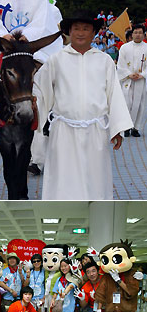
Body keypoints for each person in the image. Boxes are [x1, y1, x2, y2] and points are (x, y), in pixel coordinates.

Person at [33, 13, 131, 201]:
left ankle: (95, 207)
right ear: (69, 32)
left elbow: (114, 95)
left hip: (96, 130)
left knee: (95, 176)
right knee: (63, 177)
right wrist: (32, 109)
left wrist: (116, 129)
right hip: (64, 131)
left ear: (94, 33)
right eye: (76, 28)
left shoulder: (104, 61)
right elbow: (40, 90)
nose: (80, 33)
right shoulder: (56, 60)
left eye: (86, 29)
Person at [117, 25, 147, 137]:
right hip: (127, 80)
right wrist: (129, 74)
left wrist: (142, 74)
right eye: (135, 32)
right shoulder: (125, 47)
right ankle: (126, 127)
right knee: (127, 103)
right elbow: (120, 65)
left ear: (144, 34)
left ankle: (136, 128)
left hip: (140, 80)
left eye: (140, 32)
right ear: (132, 34)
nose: (138, 34)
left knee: (139, 104)